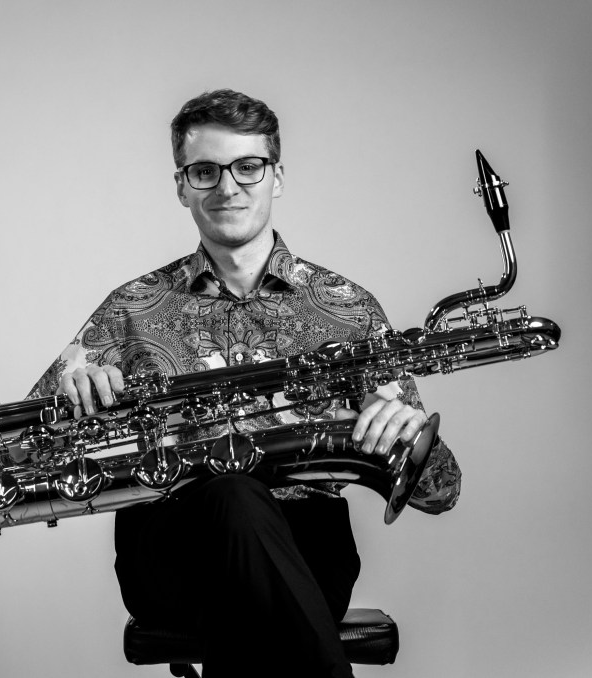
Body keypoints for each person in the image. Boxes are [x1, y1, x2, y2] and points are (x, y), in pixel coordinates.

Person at [28, 89, 461, 678]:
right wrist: (76, 402)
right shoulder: (131, 310)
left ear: (276, 176)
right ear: (182, 185)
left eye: (248, 167)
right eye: (204, 171)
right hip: (170, 547)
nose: (227, 187)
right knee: (232, 496)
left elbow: (440, 494)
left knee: (254, 599)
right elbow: (24, 453)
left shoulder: (347, 310)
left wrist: (410, 437)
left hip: (307, 546)